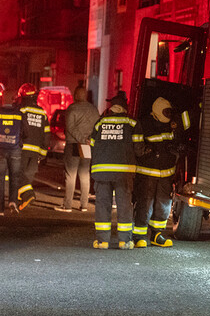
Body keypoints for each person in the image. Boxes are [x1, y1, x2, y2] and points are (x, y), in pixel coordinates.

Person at [88, 90, 142, 249]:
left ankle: (102, 241)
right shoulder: (132, 123)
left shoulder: (100, 123)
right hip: (123, 173)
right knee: (124, 205)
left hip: (102, 171)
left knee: (102, 205)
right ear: (125, 107)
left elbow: (92, 145)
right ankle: (124, 241)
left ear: (111, 107)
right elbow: (138, 148)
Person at [132, 96, 180, 248]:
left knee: (163, 205)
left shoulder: (171, 126)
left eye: (169, 112)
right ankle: (139, 235)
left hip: (166, 174)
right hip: (147, 174)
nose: (168, 115)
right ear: (158, 111)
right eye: (165, 112)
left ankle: (157, 234)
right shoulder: (144, 124)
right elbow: (137, 146)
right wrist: (147, 152)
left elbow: (174, 142)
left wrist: (177, 149)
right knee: (145, 204)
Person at [56, 86, 99, 212]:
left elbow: (70, 127)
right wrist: (88, 139)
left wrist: (81, 139)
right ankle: (84, 205)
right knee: (85, 174)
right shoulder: (93, 110)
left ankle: (67, 205)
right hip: (87, 146)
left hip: (74, 144)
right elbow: (97, 127)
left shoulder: (72, 108)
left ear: (76, 95)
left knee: (70, 175)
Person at [0, 98, 26, 216]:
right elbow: (26, 132)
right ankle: (13, 201)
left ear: (2, 100)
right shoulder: (19, 114)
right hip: (15, 149)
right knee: (14, 177)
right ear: (13, 100)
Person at [16, 83, 50, 210]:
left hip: (23, 149)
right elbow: (47, 133)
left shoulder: (22, 110)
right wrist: (43, 152)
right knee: (27, 177)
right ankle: (20, 199)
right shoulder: (42, 113)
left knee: (18, 174)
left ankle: (28, 195)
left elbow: (17, 130)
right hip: (36, 152)